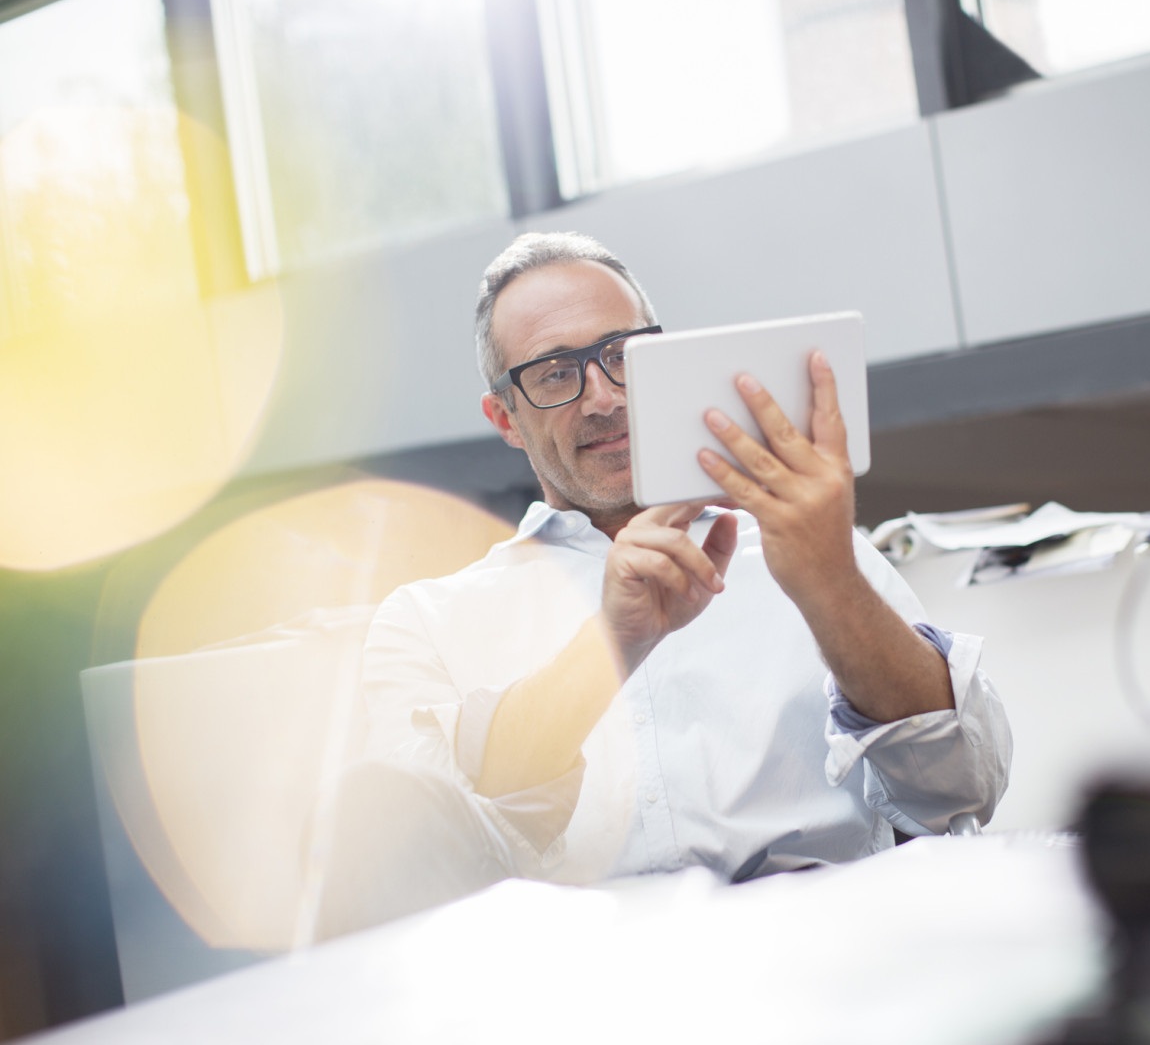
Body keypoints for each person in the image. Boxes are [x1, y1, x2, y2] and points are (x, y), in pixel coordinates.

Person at [318, 231, 1010, 936]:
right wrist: (611, 645)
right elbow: (419, 863)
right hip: (579, 986)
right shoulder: (428, 621)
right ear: (506, 419)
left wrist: (831, 583)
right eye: (555, 374)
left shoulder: (809, 546)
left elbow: (961, 790)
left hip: (827, 953)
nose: (602, 396)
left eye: (622, 356)